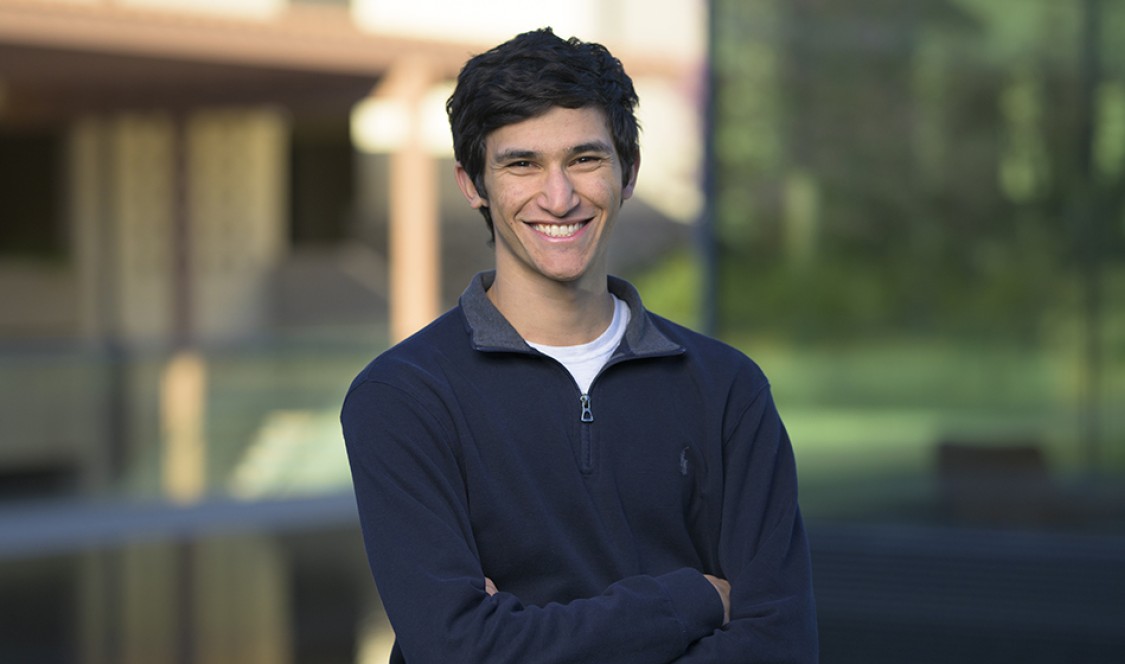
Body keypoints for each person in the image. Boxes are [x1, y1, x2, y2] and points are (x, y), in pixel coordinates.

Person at [342, 27, 818, 663]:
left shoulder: (728, 390)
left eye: (584, 159)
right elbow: (459, 649)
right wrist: (689, 602)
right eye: (522, 164)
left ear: (629, 172)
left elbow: (780, 645)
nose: (559, 197)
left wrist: (518, 633)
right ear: (472, 184)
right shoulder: (402, 398)